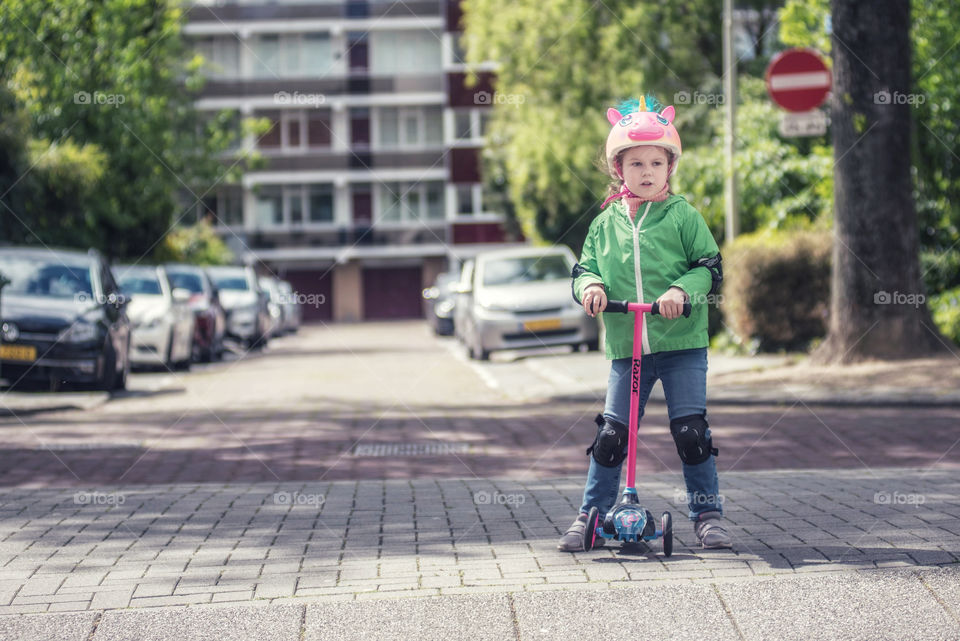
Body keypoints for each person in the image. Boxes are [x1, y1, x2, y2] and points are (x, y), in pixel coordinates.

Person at [558, 94, 730, 551]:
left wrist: (680, 291)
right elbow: (584, 269)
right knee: (612, 436)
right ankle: (590, 515)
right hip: (625, 344)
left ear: (670, 167)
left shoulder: (683, 215)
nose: (647, 171)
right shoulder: (604, 224)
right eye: (636, 163)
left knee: (691, 432)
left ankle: (708, 514)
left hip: (681, 343)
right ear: (619, 168)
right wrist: (591, 288)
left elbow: (709, 266)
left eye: (657, 162)